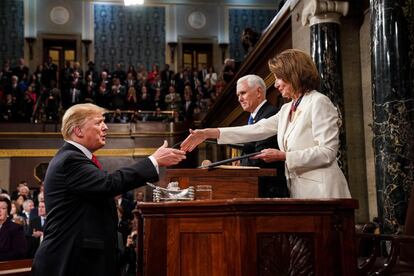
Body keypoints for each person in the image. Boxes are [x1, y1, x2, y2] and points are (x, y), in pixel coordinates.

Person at [32, 103, 186, 276]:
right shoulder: (70, 160)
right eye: (98, 123)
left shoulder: (77, 158)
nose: (105, 127)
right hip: (69, 261)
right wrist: (153, 161)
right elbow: (108, 184)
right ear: (78, 131)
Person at [181, 49, 351, 199]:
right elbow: (256, 129)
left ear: (294, 74)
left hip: (324, 191)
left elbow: (327, 152)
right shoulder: (286, 109)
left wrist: (284, 156)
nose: (276, 84)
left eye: (279, 78)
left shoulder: (318, 102)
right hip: (300, 191)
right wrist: (207, 133)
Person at [235, 74, 288, 198]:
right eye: (238, 95)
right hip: (258, 187)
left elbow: (259, 158)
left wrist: (241, 164)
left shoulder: (269, 114)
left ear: (259, 92)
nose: (239, 99)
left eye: (243, 93)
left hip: (270, 191)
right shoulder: (254, 117)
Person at [0, 195, 28, 261]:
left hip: (6, 266)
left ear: (8, 212)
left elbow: (19, 253)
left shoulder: (16, 229)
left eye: (3, 208)